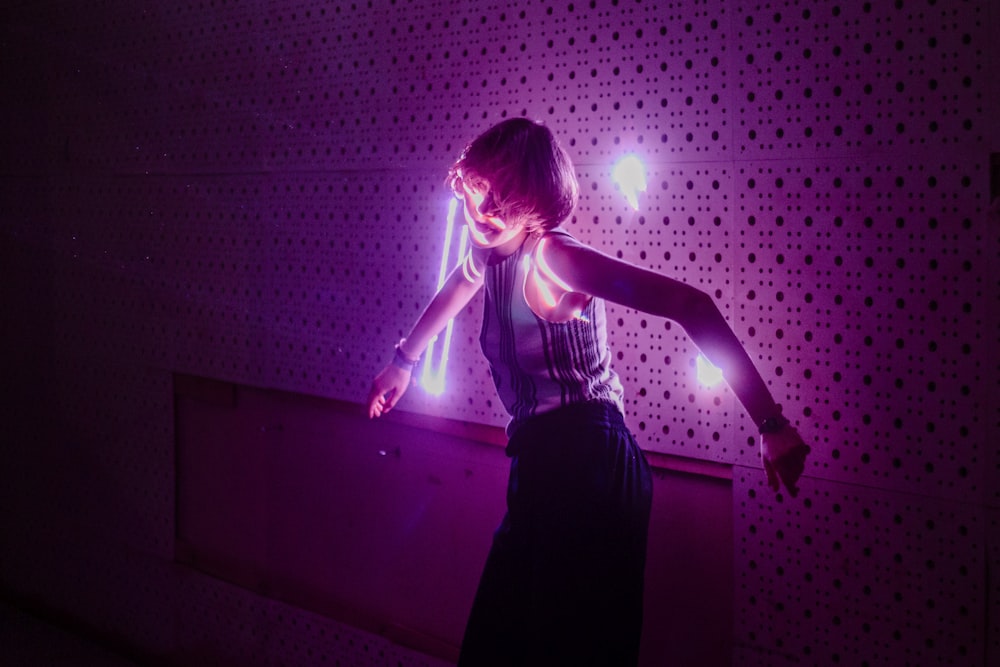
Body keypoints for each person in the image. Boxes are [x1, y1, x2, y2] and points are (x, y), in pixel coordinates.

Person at [367, 118, 810, 666]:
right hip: (538, 462)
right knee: (495, 645)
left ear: (532, 204)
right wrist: (403, 362)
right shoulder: (490, 255)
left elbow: (690, 306)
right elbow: (456, 285)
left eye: (498, 205)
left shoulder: (555, 258)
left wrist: (771, 424)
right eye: (476, 197)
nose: (481, 217)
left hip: (591, 460)